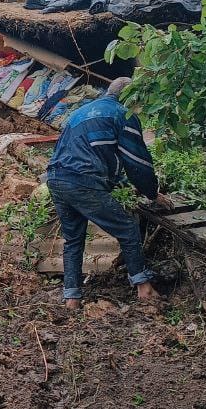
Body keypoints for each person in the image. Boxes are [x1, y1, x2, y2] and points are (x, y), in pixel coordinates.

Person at [45, 77, 171, 310]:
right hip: (82, 181)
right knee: (127, 227)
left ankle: (72, 298)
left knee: (73, 239)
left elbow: (93, 154)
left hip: (56, 179)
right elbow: (137, 162)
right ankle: (144, 287)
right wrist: (152, 193)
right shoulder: (122, 115)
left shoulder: (81, 112)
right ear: (130, 96)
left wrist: (122, 182)